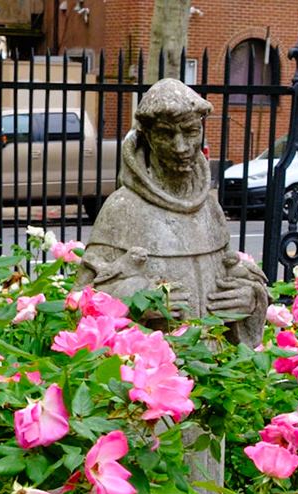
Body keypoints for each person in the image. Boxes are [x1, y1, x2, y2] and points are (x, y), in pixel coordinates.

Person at [78, 78, 269, 345]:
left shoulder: (209, 208)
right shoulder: (121, 210)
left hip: (217, 370)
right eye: (166, 134)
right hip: (152, 372)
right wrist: (136, 302)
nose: (180, 147)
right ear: (147, 136)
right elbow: (84, 302)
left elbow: (232, 276)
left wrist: (250, 298)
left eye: (191, 131)